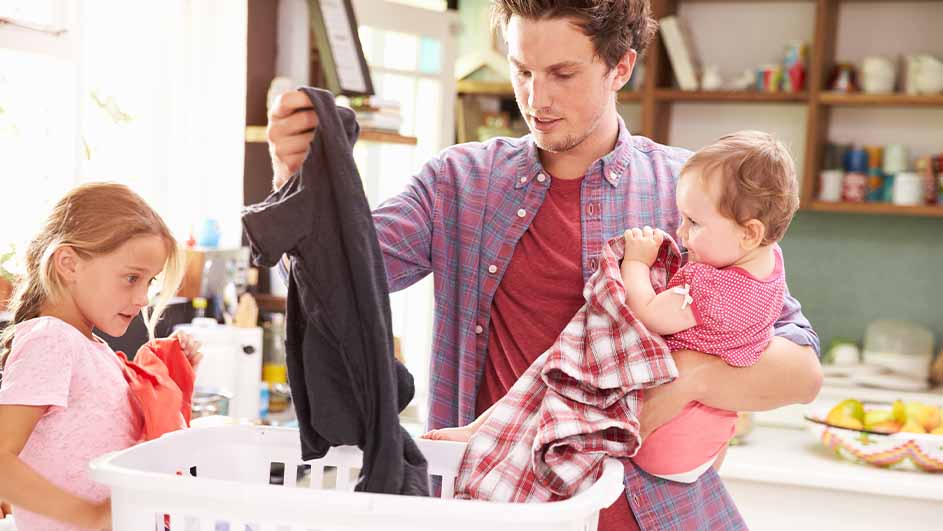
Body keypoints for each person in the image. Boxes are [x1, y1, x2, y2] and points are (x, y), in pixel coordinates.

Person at [264, 1, 822, 528]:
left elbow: (801, 373)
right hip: (493, 508)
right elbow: (331, 286)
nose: (537, 99)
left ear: (619, 67)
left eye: (562, 73)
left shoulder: (688, 195)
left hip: (652, 516)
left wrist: (690, 379)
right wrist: (295, 181)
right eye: (522, 70)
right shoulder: (459, 183)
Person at [0, 183, 203, 531]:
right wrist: (91, 517)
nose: (142, 298)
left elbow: (117, 436)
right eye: (131, 278)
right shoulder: (52, 339)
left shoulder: (89, 348)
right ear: (69, 264)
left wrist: (171, 378)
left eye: (149, 283)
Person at [619, 130, 799, 482]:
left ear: (749, 233)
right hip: (715, 432)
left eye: (694, 223)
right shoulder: (771, 262)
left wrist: (636, 264)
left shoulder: (706, 286)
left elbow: (649, 313)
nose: (681, 231)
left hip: (666, 438)